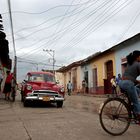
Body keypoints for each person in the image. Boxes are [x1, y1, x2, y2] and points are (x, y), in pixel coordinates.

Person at [118, 50, 140, 120]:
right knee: (136, 101)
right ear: (137, 57)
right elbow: (130, 79)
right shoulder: (138, 64)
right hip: (128, 84)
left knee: (137, 90)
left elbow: (129, 76)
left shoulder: (129, 63)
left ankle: (132, 108)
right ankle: (138, 115)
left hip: (122, 83)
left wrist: (137, 81)